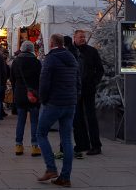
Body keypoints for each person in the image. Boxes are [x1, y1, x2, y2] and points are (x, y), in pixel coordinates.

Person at [36, 34, 80, 188]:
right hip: (70, 102)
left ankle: (51, 168)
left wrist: (43, 99)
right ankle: (65, 177)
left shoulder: (51, 58)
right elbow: (77, 80)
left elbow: (44, 81)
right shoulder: (72, 57)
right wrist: (75, 97)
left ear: (52, 42)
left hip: (54, 102)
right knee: (67, 139)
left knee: (41, 133)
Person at [73, 30, 104, 156]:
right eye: (80, 37)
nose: (83, 39)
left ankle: (96, 145)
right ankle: (82, 144)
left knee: (91, 117)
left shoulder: (92, 51)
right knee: (77, 118)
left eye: (84, 37)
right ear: (74, 37)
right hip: (75, 90)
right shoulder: (72, 52)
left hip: (88, 89)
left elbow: (100, 69)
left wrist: (94, 82)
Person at [10, 41, 42, 157]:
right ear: (32, 49)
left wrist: (16, 89)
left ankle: (18, 145)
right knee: (34, 121)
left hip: (20, 94)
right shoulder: (37, 62)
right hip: (33, 95)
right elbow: (40, 79)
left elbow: (12, 78)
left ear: (22, 49)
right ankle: (35, 146)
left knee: (21, 121)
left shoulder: (16, 62)